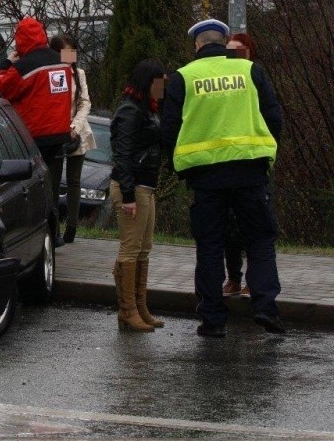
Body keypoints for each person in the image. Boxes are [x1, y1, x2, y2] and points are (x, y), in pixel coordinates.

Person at [162, 19, 284, 338]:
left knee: (210, 245)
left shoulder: (183, 78)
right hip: (250, 172)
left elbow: (169, 129)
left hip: (205, 177)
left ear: (198, 46)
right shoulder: (249, 71)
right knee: (259, 239)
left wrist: (181, 166)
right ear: (223, 42)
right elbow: (274, 117)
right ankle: (265, 307)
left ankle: (213, 319)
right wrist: (263, 154)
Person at [0, 17, 73, 223]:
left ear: (20, 40)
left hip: (34, 136)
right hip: (59, 135)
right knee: (51, 186)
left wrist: (6, 63)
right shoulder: (62, 60)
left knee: (29, 187)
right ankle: (54, 231)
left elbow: (0, 89)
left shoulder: (24, 66)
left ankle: (33, 225)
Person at [110, 59, 166, 333]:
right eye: (159, 81)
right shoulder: (130, 111)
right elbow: (123, 155)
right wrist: (129, 195)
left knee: (144, 248)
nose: (162, 86)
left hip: (146, 186)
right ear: (148, 82)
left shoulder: (147, 109)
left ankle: (139, 307)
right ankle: (127, 310)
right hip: (132, 188)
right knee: (131, 248)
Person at [221, 32, 259, 299]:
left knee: (252, 229)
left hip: (251, 163)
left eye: (238, 50)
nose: (232, 55)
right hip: (225, 162)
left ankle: (251, 282)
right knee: (229, 230)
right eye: (229, 50)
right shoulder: (221, 82)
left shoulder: (256, 77)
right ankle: (233, 279)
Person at [48, 34, 96, 244]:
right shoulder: (49, 73)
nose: (69, 57)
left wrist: (74, 126)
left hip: (77, 130)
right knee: (53, 181)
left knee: (74, 180)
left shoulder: (79, 74)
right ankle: (54, 227)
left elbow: (85, 102)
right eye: (64, 52)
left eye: (72, 52)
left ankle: (72, 227)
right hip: (55, 132)